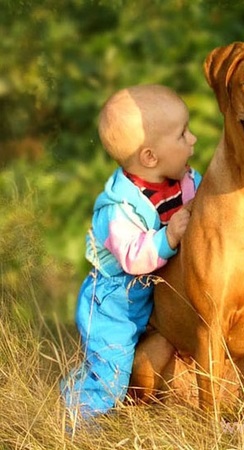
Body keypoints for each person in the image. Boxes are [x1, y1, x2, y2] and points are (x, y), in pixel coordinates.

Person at [61, 84, 201, 421]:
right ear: (150, 157)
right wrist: (169, 236)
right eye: (183, 135)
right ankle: (78, 421)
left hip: (150, 296)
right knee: (110, 371)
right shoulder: (118, 208)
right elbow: (134, 258)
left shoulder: (182, 181)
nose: (194, 140)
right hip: (113, 302)